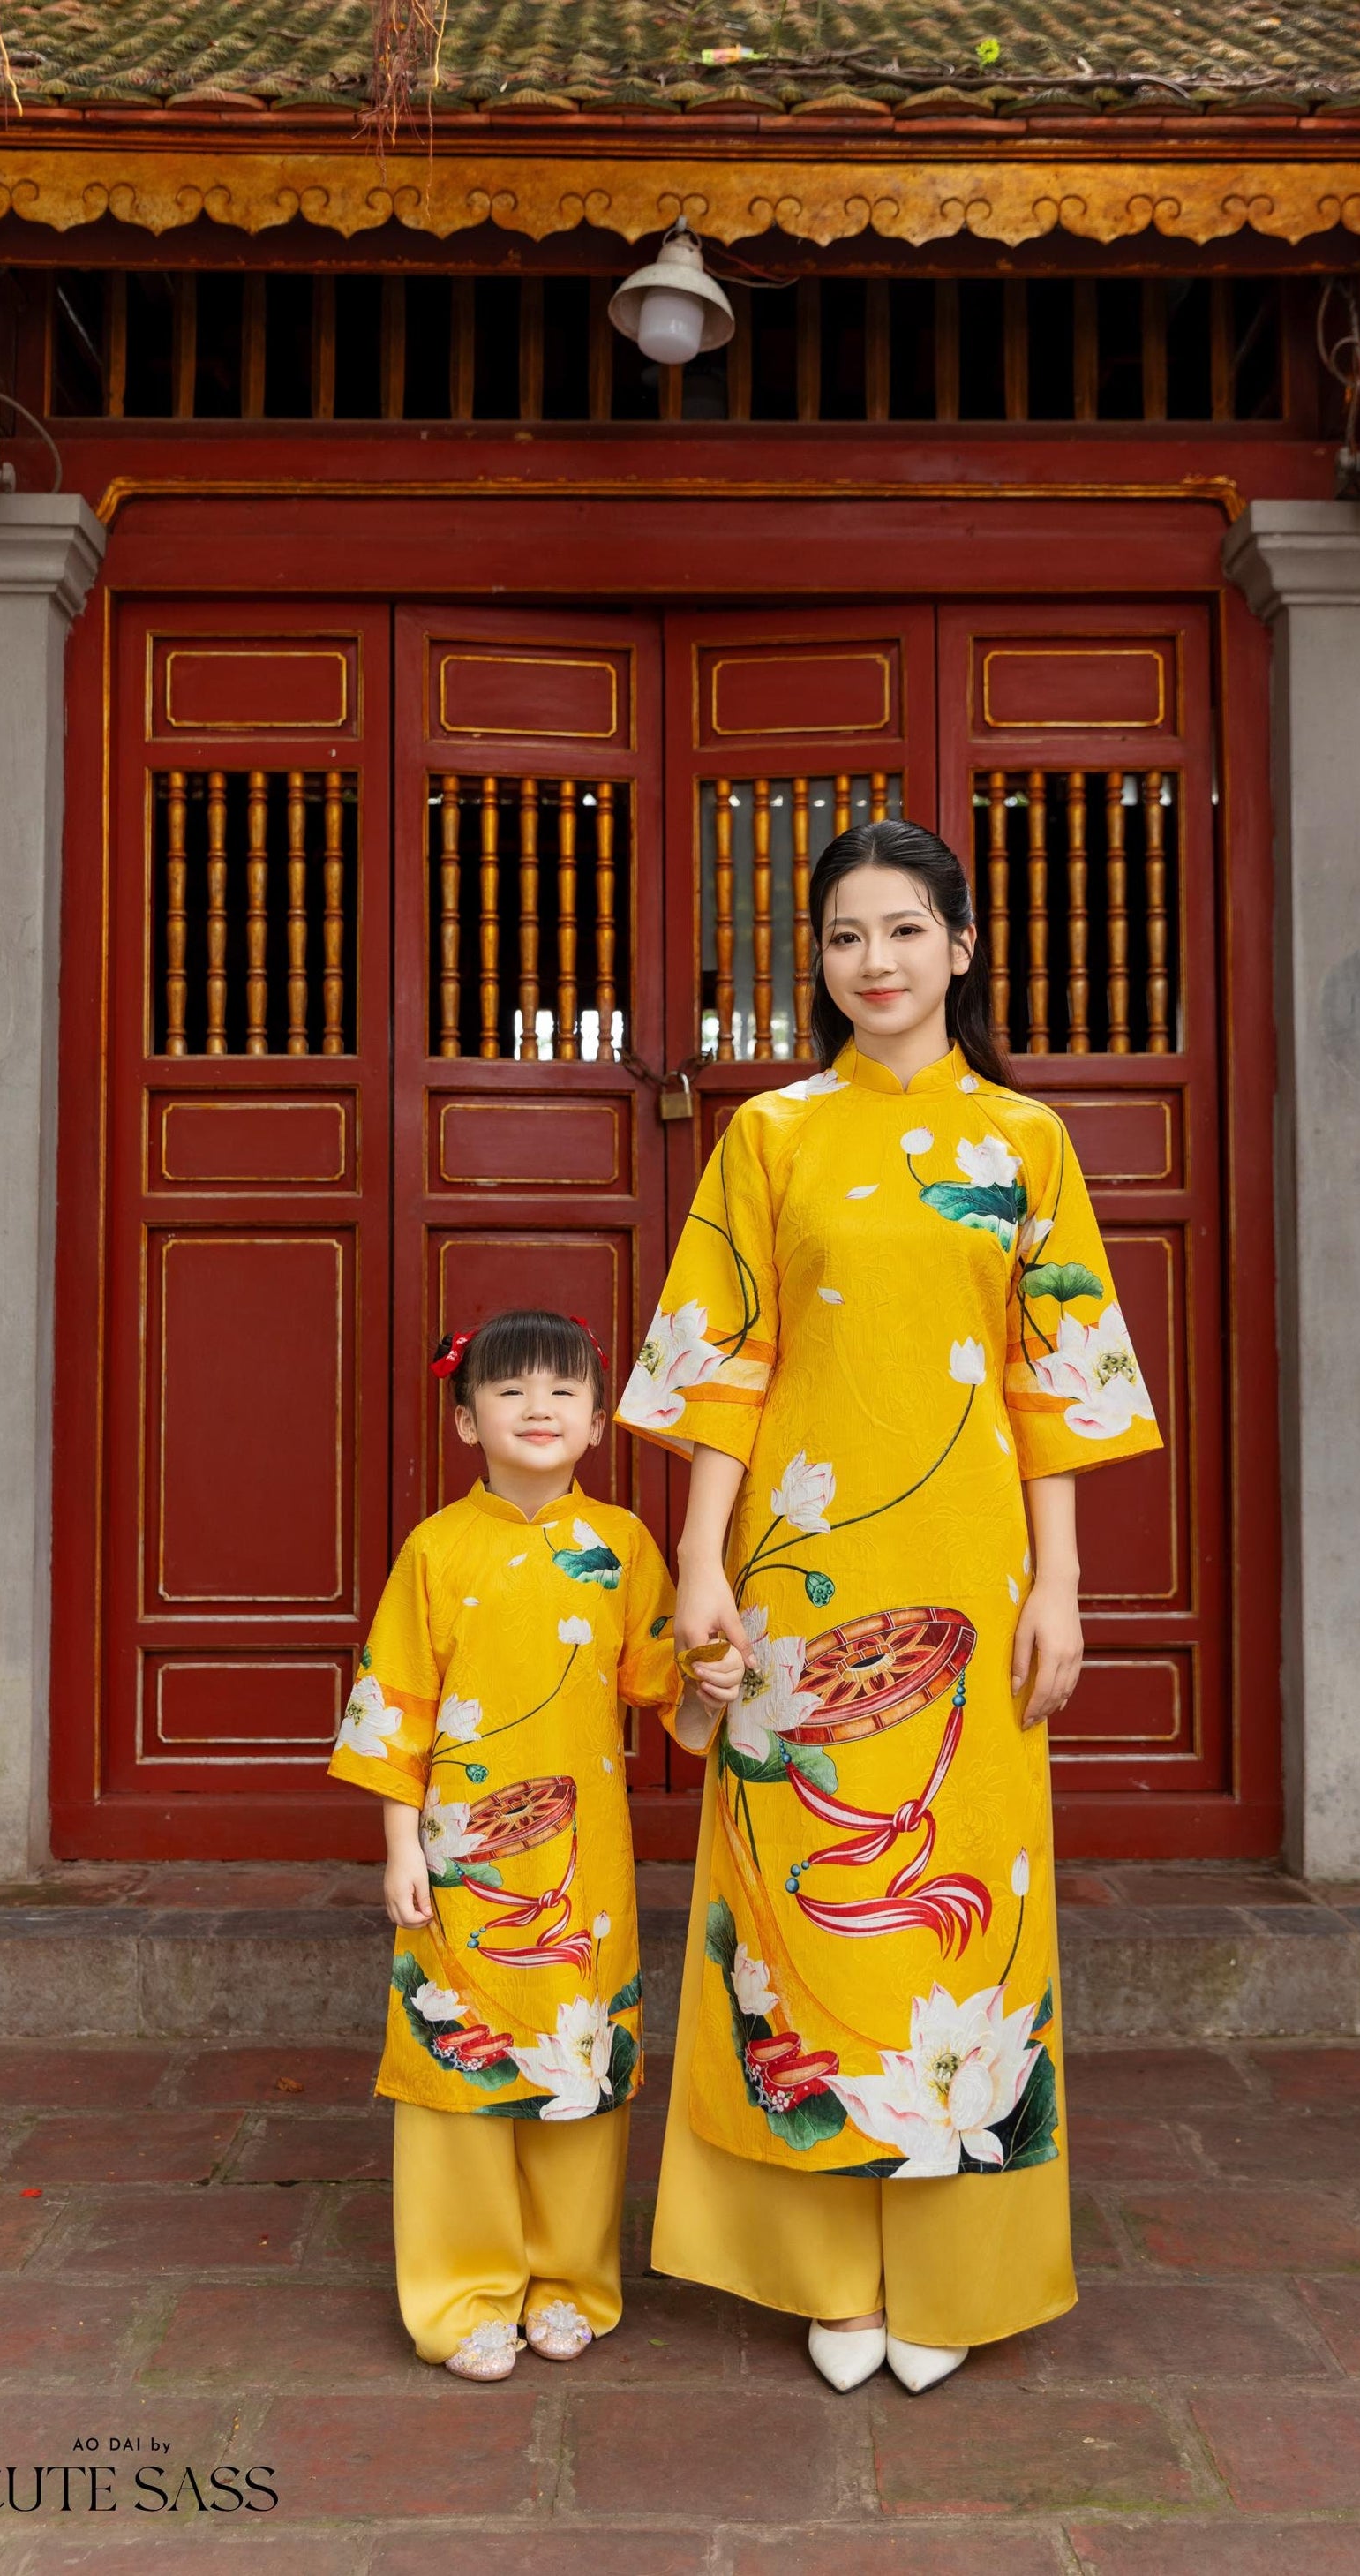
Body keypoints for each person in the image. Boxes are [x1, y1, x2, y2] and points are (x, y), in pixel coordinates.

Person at [618, 818, 1160, 2394]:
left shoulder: (1027, 1142)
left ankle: (951, 2274)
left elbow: (1056, 1384)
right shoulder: (768, 1135)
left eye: (906, 929)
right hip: (800, 1573)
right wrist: (703, 1561)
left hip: (969, 1570)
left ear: (962, 946)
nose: (876, 960)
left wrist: (1060, 1584)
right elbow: (726, 1367)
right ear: (823, 961)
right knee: (801, 1913)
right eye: (846, 934)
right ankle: (817, 2270)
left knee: (965, 1915)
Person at [328, 1307, 742, 2382]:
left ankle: (569, 2281)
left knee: (580, 2063)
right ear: (466, 1421)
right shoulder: (435, 1549)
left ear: (600, 1419)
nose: (539, 1408)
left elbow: (671, 1709)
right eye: (509, 1391)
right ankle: (463, 2294)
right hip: (459, 1858)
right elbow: (395, 1708)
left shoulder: (622, 1547)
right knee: (453, 2068)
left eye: (564, 1390)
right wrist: (399, 1845)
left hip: (579, 1865)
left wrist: (713, 1690)